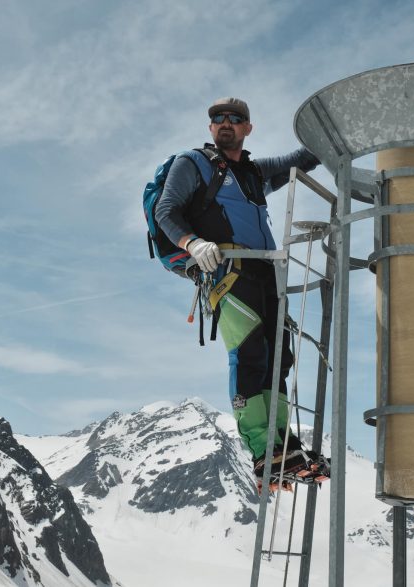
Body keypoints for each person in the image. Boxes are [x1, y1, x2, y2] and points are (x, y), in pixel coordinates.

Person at [155, 97, 325, 485]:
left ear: (248, 127)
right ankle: (262, 449)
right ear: (211, 127)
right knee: (249, 353)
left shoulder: (251, 171)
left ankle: (282, 442)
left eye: (235, 118)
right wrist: (193, 243)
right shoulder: (192, 163)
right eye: (217, 119)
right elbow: (167, 211)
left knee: (279, 356)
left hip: (266, 270)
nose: (225, 123)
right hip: (226, 271)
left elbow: (301, 158)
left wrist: (335, 132)